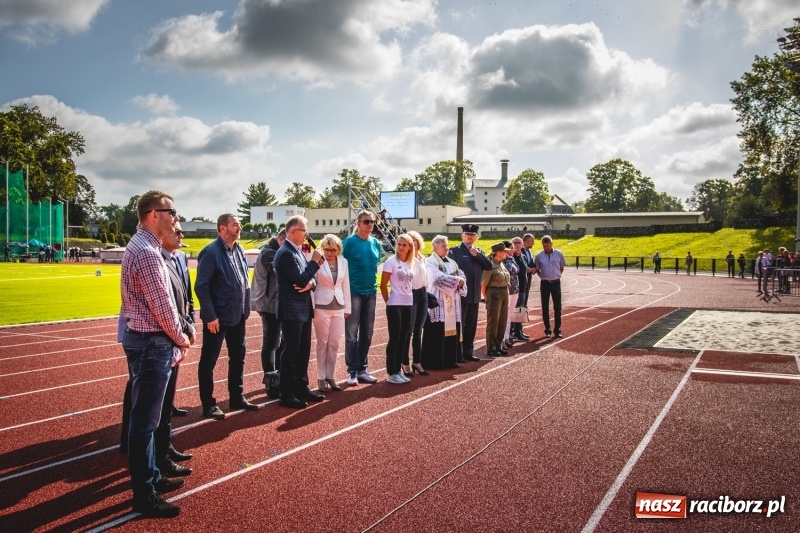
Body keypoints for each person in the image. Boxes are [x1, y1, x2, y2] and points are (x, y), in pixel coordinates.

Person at [120, 190, 191, 517]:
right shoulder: (148, 253)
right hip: (151, 342)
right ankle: (144, 494)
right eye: (171, 211)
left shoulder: (146, 247)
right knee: (145, 422)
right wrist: (181, 337)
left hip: (149, 339)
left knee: (146, 419)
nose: (176, 218)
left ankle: (151, 477)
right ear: (153, 214)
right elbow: (161, 305)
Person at [195, 214, 256, 420]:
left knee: (238, 357)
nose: (239, 227)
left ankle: (236, 397)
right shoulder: (210, 252)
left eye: (238, 224)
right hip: (217, 318)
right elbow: (201, 286)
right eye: (234, 224)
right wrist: (210, 316)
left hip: (238, 315)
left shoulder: (238, 249)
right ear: (222, 228)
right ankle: (208, 404)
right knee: (209, 362)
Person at [274, 215, 324, 408]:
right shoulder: (285, 253)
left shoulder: (298, 251)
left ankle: (301, 387)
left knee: (303, 352)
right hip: (291, 310)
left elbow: (309, 281)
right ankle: (286, 393)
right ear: (293, 231)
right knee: (290, 353)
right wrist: (315, 263)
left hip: (303, 308)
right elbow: (300, 279)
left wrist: (311, 282)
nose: (307, 234)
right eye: (304, 230)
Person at [341, 210, 383, 386]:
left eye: (372, 221)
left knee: (367, 333)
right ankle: (352, 370)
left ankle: (362, 369)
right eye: (366, 221)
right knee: (352, 334)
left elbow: (376, 265)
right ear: (358, 223)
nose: (370, 224)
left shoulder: (376, 244)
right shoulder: (349, 243)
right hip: (353, 292)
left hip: (371, 292)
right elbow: (340, 264)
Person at [421, 235, 467, 370]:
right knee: (437, 331)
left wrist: (461, 281)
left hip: (453, 301)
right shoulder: (430, 262)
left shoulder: (452, 262)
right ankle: (435, 361)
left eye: (447, 245)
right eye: (443, 246)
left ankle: (450, 360)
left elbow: (461, 274)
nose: (447, 248)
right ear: (435, 247)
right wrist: (457, 280)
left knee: (452, 331)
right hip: (438, 301)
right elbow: (437, 278)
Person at [448, 224, 492, 361]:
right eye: (467, 234)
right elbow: (450, 269)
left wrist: (477, 255)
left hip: (474, 295)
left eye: (472, 235)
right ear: (462, 236)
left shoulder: (478, 251)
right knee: (460, 324)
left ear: (476, 237)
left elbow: (489, 266)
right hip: (461, 295)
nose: (469, 236)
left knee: (471, 325)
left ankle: (468, 351)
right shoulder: (455, 251)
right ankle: (458, 353)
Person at [313, 234, 350, 392]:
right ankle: (321, 377)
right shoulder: (317, 261)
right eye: (327, 249)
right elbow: (312, 281)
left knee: (334, 343)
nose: (329, 253)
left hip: (339, 307)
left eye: (333, 250)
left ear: (338, 249)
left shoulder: (343, 262)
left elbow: (345, 284)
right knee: (323, 342)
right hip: (321, 305)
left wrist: (347, 307)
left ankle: (331, 375)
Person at [251, 229, 286, 395]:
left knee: (279, 343)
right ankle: (270, 381)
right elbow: (282, 272)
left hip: (277, 303)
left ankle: (278, 378)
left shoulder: (275, 250)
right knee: (271, 343)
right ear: (281, 239)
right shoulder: (268, 253)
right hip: (268, 304)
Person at [380, 233, 415, 384]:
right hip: (394, 304)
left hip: (408, 304)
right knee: (394, 338)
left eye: (404, 245)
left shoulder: (410, 262)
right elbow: (383, 285)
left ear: (409, 247)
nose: (401, 247)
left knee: (404, 338)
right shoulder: (390, 262)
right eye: (399, 244)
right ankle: (391, 372)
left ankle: (398, 370)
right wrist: (389, 301)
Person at [481, 242, 511, 357]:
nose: (506, 253)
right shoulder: (490, 265)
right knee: (493, 322)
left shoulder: (501, 263)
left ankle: (498, 345)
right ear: (498, 252)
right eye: (504, 251)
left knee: (502, 322)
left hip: (504, 293)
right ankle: (491, 347)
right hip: (494, 294)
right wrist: (487, 298)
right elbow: (483, 285)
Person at [406, 231, 428, 377]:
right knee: (408, 331)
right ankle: (405, 362)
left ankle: (417, 361)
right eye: (410, 241)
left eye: (414, 240)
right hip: (411, 294)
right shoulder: (406, 259)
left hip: (423, 294)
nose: (413, 243)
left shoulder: (422, 258)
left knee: (419, 330)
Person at [534, 235, 566, 338]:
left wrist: (556, 276)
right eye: (544, 246)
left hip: (556, 283)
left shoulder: (559, 254)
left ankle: (557, 330)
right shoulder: (539, 256)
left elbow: (561, 267)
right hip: (545, 284)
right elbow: (537, 269)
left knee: (557, 307)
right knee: (545, 307)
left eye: (548, 246)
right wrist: (543, 277)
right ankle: (547, 329)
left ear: (552, 244)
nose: (546, 248)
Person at [510, 236, 531, 342]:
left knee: (521, 310)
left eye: (519, 242)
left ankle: (519, 331)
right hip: (514, 289)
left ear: (522, 244)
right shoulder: (510, 257)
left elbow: (524, 269)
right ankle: (513, 332)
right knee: (514, 311)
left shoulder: (523, 256)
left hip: (523, 288)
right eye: (515, 242)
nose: (517, 244)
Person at [501, 240, 520, 350]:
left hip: (515, 290)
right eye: (511, 248)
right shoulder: (502, 260)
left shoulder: (512, 259)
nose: (514, 249)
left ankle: (507, 336)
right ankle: (502, 339)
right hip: (506, 291)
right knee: (504, 316)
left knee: (509, 316)